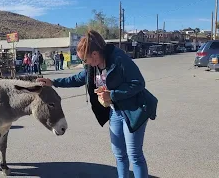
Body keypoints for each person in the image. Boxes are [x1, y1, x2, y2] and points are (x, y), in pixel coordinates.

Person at [36, 30, 158, 178]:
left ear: (94, 54)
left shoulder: (119, 58)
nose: (84, 63)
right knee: (119, 154)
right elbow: (77, 79)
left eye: (84, 60)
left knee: (134, 155)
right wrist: (53, 82)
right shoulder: (92, 67)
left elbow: (138, 83)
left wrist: (112, 94)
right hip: (115, 111)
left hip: (133, 110)